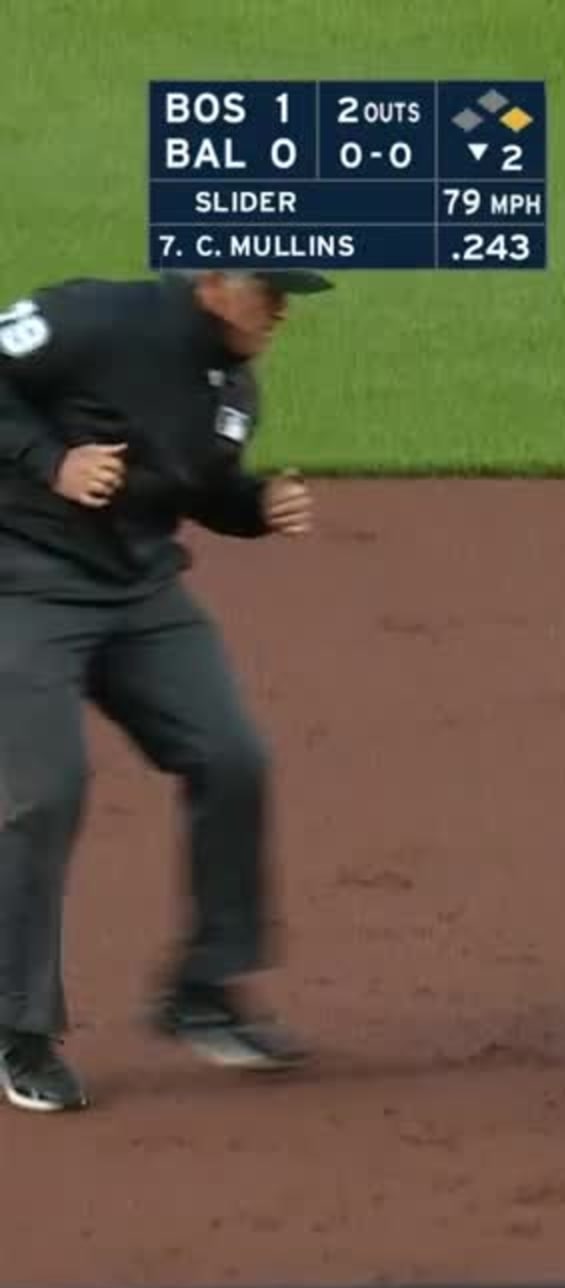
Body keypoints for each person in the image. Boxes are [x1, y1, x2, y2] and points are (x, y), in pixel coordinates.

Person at [0, 268, 326, 1113]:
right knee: (44, 794)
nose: (285, 311)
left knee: (231, 756)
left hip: (139, 592)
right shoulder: (91, 315)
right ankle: (20, 1032)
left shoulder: (232, 387)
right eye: (273, 291)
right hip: (21, 582)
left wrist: (258, 505)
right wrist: (51, 460)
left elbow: (203, 489)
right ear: (215, 281)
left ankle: (204, 991)